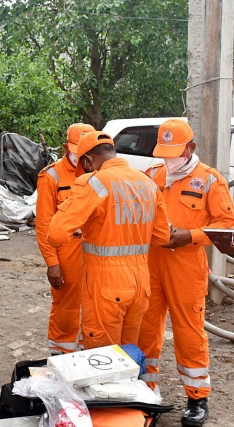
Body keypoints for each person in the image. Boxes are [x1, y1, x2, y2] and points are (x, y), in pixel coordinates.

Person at [137, 119, 234, 427]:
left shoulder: (209, 180)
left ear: (190, 148)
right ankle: (145, 390)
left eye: (174, 153)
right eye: (164, 154)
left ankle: (196, 397)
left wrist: (190, 236)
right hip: (151, 263)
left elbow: (226, 225)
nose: (169, 160)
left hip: (186, 266)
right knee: (145, 329)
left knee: (188, 332)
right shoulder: (152, 175)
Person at [47, 131, 169, 351]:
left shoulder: (92, 183)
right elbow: (162, 236)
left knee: (103, 357)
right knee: (127, 352)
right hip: (140, 283)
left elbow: (55, 235)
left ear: (88, 159)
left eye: (84, 165)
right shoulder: (147, 182)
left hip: (106, 283)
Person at [35, 123, 95, 355]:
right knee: (66, 307)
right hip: (67, 252)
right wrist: (52, 263)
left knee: (94, 305)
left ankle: (88, 353)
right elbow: (44, 224)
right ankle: (61, 353)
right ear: (65, 147)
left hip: (96, 252)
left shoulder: (98, 174)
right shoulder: (52, 175)